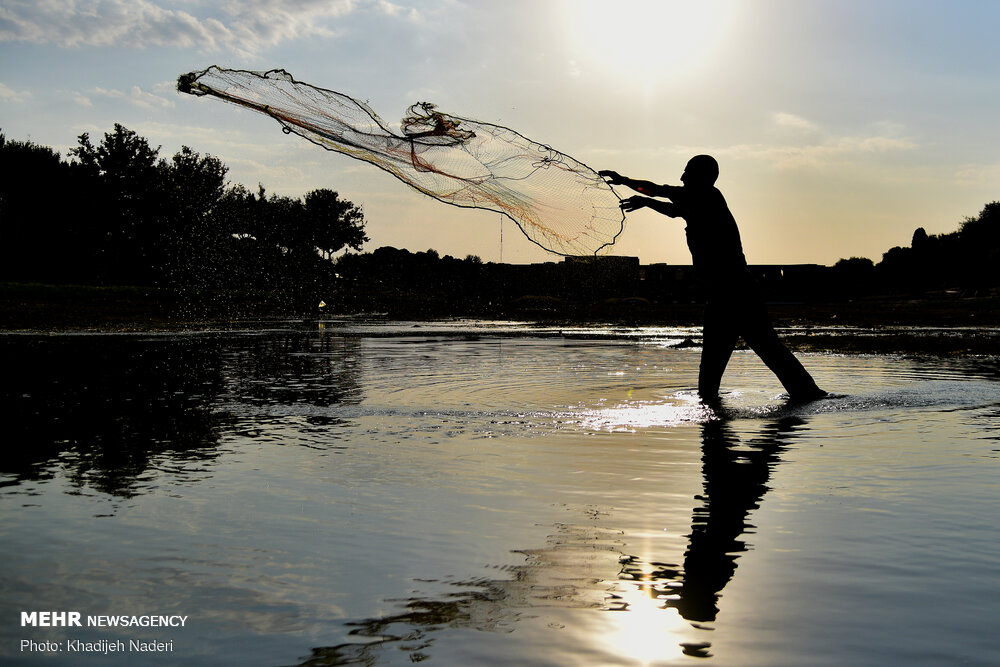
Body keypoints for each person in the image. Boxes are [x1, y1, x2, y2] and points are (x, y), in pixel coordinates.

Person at [600, 156, 826, 403]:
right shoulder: (695, 194)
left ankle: (801, 396)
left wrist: (646, 202)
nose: (682, 177)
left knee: (755, 353)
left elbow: (675, 210)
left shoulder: (709, 198)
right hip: (726, 293)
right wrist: (623, 180)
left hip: (735, 292)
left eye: (687, 173)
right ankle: (803, 397)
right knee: (746, 355)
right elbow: (655, 189)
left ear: (702, 177)